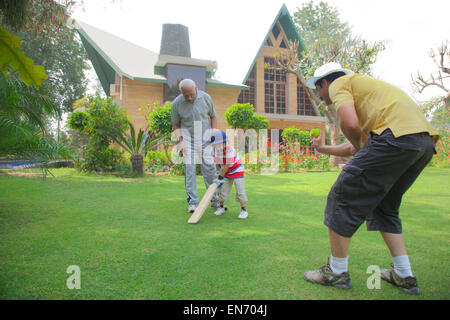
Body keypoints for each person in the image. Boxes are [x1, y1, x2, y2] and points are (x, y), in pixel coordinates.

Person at [302, 62, 438, 294]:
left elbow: (349, 124)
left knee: (341, 195)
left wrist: (361, 153)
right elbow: (360, 145)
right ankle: (404, 275)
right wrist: (325, 149)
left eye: (317, 88)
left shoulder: (339, 84)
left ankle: (336, 272)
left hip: (396, 140)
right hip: (423, 142)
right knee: (385, 206)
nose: (319, 94)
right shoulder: (370, 96)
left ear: (325, 82)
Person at [171, 79, 220, 213]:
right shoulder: (177, 103)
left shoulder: (206, 98)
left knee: (210, 171)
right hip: (187, 140)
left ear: (196, 88)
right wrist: (181, 142)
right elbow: (175, 124)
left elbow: (213, 116)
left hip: (205, 139)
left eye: (191, 94)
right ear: (181, 93)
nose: (189, 97)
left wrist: (213, 133)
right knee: (190, 171)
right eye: (186, 95)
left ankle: (214, 199)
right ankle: (192, 202)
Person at [205, 130, 248, 219]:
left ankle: (244, 210)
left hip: (237, 170)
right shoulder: (216, 150)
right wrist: (217, 174)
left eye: (219, 144)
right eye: (215, 145)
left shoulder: (229, 150)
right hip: (226, 171)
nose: (217, 146)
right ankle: (221, 207)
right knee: (222, 190)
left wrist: (221, 176)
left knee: (240, 191)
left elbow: (228, 165)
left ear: (224, 142)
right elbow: (217, 163)